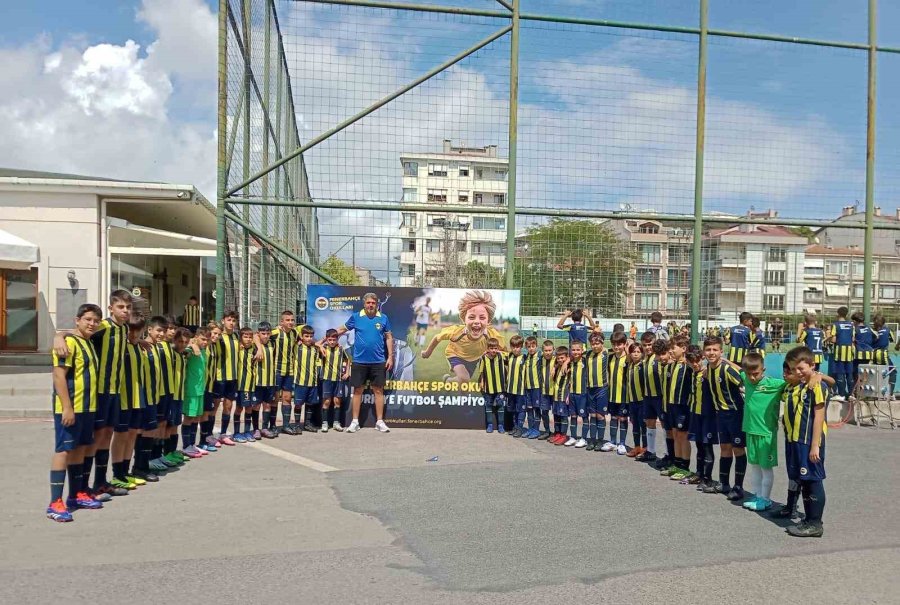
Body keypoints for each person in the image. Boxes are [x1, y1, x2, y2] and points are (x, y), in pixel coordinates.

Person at [52, 290, 134, 501]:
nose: (125, 311)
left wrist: (138, 343)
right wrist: (58, 335)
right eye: (120, 307)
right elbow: (75, 334)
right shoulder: (102, 327)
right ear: (111, 308)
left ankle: (100, 482)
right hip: (98, 392)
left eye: (128, 307)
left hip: (115, 390)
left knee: (106, 434)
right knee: (93, 439)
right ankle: (82, 487)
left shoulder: (124, 329)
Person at [47, 303, 104, 522]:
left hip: (88, 407)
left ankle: (75, 494)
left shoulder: (88, 343)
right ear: (77, 320)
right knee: (64, 451)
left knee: (80, 448)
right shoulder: (68, 343)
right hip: (70, 408)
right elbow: (59, 376)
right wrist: (67, 407)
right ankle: (54, 502)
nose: (92, 323)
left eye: (96, 320)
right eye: (88, 319)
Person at [784, 347, 830, 538]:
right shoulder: (798, 386)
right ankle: (808, 518)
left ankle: (815, 523)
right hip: (795, 441)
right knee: (804, 480)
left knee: (813, 480)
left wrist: (814, 445)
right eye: (794, 369)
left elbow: (819, 417)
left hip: (808, 442)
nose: (798, 372)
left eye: (801, 368)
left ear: (812, 365)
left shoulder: (816, 386)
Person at [334, 292, 394, 433]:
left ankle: (379, 421)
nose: (371, 305)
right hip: (359, 361)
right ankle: (355, 422)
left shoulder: (383, 318)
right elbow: (341, 330)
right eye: (368, 302)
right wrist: (325, 338)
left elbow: (389, 338)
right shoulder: (356, 317)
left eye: (373, 303)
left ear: (377, 304)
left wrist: (390, 356)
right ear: (364, 304)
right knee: (358, 391)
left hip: (378, 361)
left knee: (378, 391)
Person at [422, 290, 502, 383]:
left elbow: (503, 349)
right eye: (471, 317)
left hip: (474, 359)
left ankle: (448, 381)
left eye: (482, 317)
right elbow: (437, 337)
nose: (476, 321)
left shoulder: (492, 335)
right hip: (455, 354)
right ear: (464, 319)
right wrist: (427, 352)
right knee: (465, 378)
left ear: (488, 321)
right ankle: (453, 376)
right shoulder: (456, 332)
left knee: (464, 385)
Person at [701, 336, 746, 500]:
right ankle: (724, 483)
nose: (711, 353)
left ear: (721, 351)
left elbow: (745, 380)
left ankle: (739, 487)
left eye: (715, 350)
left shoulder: (727, 369)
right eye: (708, 350)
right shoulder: (708, 369)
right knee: (725, 449)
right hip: (720, 414)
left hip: (735, 414)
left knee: (738, 449)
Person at [662, 335, 693, 482]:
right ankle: (677, 463)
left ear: (684, 349)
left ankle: (685, 468)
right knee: (675, 435)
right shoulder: (671, 365)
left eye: (673, 348)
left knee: (683, 436)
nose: (671, 351)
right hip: (671, 405)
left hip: (683, 407)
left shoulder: (688, 366)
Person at [687, 345, 717, 490]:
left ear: (702, 359)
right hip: (695, 413)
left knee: (707, 446)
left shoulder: (708, 372)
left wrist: (709, 368)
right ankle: (699, 473)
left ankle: (708, 478)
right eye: (692, 361)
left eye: (698, 360)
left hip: (708, 415)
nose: (695, 364)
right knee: (698, 445)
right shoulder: (693, 372)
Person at [269, 310, 301, 435]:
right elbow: (258, 335)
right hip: (276, 370)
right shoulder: (275, 333)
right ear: (281, 322)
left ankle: (286, 425)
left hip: (290, 371)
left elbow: (307, 335)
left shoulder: (295, 333)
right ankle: (272, 426)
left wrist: (319, 345)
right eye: (287, 320)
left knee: (287, 398)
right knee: (275, 398)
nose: (290, 322)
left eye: (292, 320)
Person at [212, 310, 240, 446]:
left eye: (234, 320)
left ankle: (223, 433)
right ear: (223, 321)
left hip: (233, 377)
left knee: (228, 406)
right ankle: (209, 434)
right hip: (219, 376)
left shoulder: (236, 336)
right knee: (215, 406)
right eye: (229, 320)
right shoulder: (218, 336)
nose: (231, 323)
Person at [285, 325, 320, 435]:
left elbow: (317, 363)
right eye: (306, 336)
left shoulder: (315, 349)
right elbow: (294, 330)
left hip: (312, 381)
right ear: (302, 337)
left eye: (311, 336)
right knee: (299, 404)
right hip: (300, 381)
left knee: (310, 403)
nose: (309, 338)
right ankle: (296, 424)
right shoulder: (297, 347)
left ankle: (307, 423)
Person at [180, 327, 209, 457]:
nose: (205, 342)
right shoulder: (191, 350)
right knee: (188, 417)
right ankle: (186, 446)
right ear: (196, 337)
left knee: (196, 417)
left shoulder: (203, 350)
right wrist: (191, 345)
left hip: (200, 390)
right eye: (203, 339)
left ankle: (192, 444)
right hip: (191, 390)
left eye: (207, 340)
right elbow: (184, 352)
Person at [639, 333, 666, 465]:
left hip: (660, 396)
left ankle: (668, 454)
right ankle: (651, 451)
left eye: (650, 344)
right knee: (649, 422)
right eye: (645, 345)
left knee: (665, 425)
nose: (648, 347)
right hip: (648, 396)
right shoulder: (645, 358)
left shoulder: (659, 358)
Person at [600, 332, 629, 454]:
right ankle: (612, 441)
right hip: (612, 394)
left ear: (624, 344)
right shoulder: (610, 357)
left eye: (619, 344)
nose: (616, 347)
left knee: (622, 418)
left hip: (624, 395)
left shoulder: (628, 358)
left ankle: (622, 443)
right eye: (614, 344)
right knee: (613, 418)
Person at [318, 328, 350, 432]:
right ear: (327, 339)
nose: (332, 342)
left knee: (337, 401)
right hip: (327, 379)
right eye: (330, 339)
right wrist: (320, 344)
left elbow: (348, 360)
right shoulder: (323, 348)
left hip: (338, 379)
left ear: (337, 340)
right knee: (326, 401)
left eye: (334, 340)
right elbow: (315, 344)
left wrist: (347, 372)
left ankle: (336, 423)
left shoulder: (341, 349)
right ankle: (324, 423)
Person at [199, 322, 222, 450]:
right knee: (203, 413)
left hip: (213, 383)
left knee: (210, 412)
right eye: (214, 333)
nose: (216, 336)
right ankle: (202, 441)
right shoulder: (204, 345)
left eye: (218, 334)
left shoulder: (216, 345)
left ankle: (208, 437)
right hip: (204, 384)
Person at [585, 333, 608, 451]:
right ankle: (592, 439)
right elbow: (574, 356)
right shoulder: (588, 354)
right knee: (592, 415)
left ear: (602, 343)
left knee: (600, 415)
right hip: (590, 389)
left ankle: (600, 440)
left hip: (602, 389)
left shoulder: (607, 353)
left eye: (597, 343)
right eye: (592, 344)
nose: (595, 346)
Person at [254, 322, 277, 439]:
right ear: (258, 334)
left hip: (270, 381)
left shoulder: (273, 343)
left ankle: (264, 428)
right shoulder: (254, 344)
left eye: (268, 333)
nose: (266, 336)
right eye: (263, 333)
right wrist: (258, 347)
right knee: (256, 406)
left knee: (267, 405)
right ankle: (255, 429)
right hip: (258, 381)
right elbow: (253, 336)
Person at [479, 337, 507, 433]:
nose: (493, 350)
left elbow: (510, 355)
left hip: (500, 388)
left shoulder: (501, 356)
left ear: (498, 348)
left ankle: (501, 425)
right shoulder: (483, 358)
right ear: (487, 349)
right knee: (489, 406)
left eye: (495, 348)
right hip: (488, 388)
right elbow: (481, 372)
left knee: (500, 406)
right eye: (491, 348)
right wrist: (482, 382)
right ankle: (490, 425)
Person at [828, 306, 855, 399]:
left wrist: (829, 338)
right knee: (849, 373)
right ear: (846, 314)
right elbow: (853, 339)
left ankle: (841, 394)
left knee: (840, 373)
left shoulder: (835, 325)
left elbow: (834, 340)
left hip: (839, 352)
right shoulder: (851, 325)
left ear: (838, 314)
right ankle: (851, 394)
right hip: (849, 352)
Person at [505, 335, 528, 437]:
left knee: (521, 409)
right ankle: (515, 427)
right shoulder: (509, 356)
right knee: (513, 409)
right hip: (510, 389)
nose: (515, 349)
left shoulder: (525, 358)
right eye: (513, 347)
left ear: (521, 347)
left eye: (518, 347)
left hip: (521, 389)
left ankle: (520, 428)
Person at [566, 340, 589, 447]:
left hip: (583, 393)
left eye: (578, 350)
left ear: (582, 350)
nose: (575, 352)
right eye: (573, 350)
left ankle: (584, 438)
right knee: (573, 416)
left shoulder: (585, 360)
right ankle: (573, 437)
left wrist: (583, 351)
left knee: (584, 416)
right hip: (572, 393)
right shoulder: (570, 362)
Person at [625, 342, 646, 458]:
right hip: (632, 400)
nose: (636, 354)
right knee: (635, 425)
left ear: (642, 354)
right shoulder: (630, 365)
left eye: (638, 352)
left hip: (642, 400)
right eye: (633, 352)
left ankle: (645, 447)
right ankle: (637, 446)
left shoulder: (643, 365)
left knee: (643, 425)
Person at [522, 335, 543, 439]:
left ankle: (536, 430)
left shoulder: (540, 355)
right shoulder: (526, 357)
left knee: (536, 408)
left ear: (536, 346)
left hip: (537, 388)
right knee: (529, 409)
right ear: (526, 348)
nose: (531, 348)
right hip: (528, 388)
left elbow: (553, 356)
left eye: (533, 346)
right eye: (529, 347)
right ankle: (530, 429)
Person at [550, 346, 571, 445]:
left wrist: (568, 395)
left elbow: (571, 383)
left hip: (563, 396)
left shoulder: (568, 367)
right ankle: (557, 433)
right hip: (556, 396)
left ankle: (564, 435)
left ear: (567, 357)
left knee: (563, 416)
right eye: (558, 358)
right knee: (556, 415)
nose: (560, 360)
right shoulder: (557, 367)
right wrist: (554, 367)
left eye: (562, 358)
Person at [851, 311, 874, 386]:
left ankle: (857, 391)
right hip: (869, 353)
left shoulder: (855, 329)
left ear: (855, 321)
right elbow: (877, 337)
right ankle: (864, 390)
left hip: (859, 354)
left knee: (855, 373)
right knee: (865, 372)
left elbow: (852, 339)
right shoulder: (869, 328)